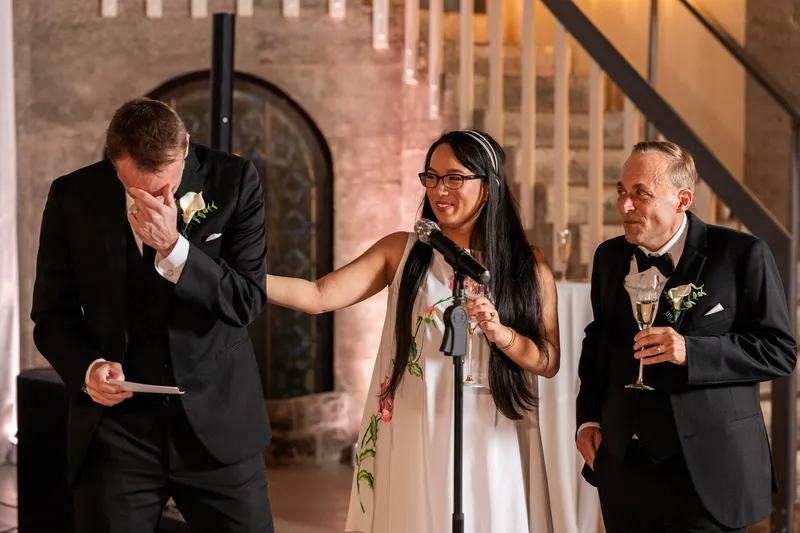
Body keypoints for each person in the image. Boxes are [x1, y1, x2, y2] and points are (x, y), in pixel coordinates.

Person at [266, 129, 559, 533]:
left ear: (489, 187)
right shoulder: (402, 251)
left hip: (494, 429)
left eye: (454, 178)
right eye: (432, 177)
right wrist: (241, 281)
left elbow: (548, 360)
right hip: (416, 423)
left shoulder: (529, 265)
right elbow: (318, 295)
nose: (440, 190)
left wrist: (501, 333)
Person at [30, 97, 274, 533]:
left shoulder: (235, 180)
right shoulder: (72, 196)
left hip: (218, 423)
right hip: (117, 434)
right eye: (136, 188)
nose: (156, 197)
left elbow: (246, 300)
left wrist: (174, 248)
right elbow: (52, 315)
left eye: (166, 186)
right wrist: (87, 370)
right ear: (116, 163)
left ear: (184, 149)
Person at [576, 141, 797, 532]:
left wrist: (690, 351)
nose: (624, 206)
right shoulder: (608, 258)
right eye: (621, 192)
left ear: (682, 199)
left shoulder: (741, 254)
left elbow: (779, 351)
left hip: (709, 472)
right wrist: (588, 418)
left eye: (640, 193)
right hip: (625, 469)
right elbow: (598, 342)